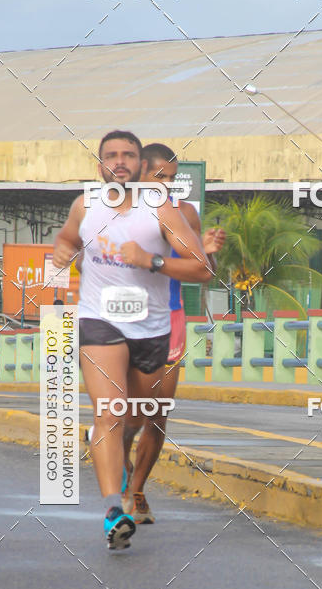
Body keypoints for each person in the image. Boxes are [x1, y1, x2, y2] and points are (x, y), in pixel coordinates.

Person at [52, 129, 212, 550]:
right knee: (109, 413)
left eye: (128, 155)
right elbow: (68, 238)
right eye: (111, 155)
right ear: (100, 166)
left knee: (141, 417)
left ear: (141, 165)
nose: (120, 161)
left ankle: (128, 478)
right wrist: (62, 250)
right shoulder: (85, 205)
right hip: (99, 322)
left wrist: (151, 260)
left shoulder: (162, 209)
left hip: (152, 327)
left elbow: (201, 269)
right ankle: (114, 510)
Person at [120, 143, 226, 523]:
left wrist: (208, 252)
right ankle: (122, 463)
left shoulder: (185, 214)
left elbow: (203, 271)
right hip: (126, 319)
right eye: (158, 176)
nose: (166, 184)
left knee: (158, 412)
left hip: (171, 318)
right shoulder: (117, 213)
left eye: (172, 177)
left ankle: (136, 491)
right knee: (130, 414)